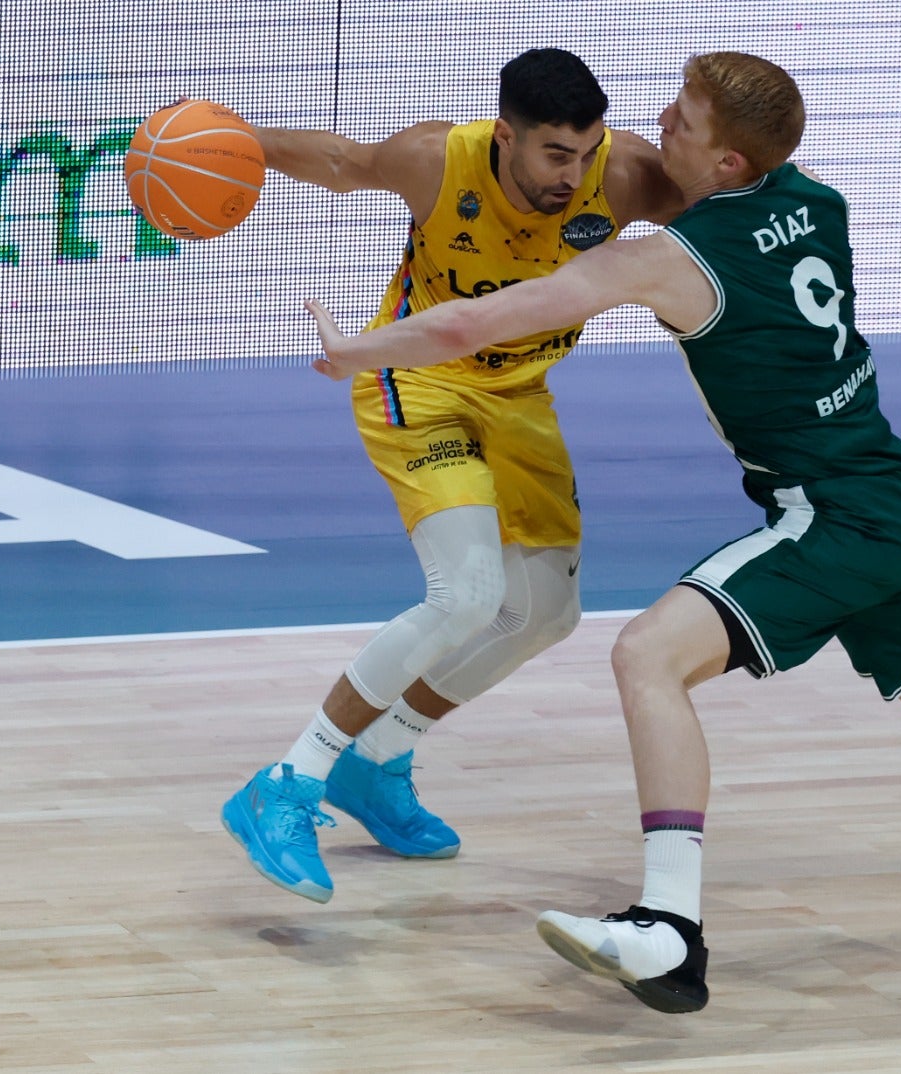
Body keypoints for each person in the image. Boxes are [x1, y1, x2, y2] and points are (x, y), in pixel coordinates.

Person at [304, 52, 901, 1013]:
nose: (657, 125)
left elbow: (474, 324)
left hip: (826, 511)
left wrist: (358, 349)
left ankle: (669, 930)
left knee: (648, 656)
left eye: (683, 123)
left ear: (732, 164)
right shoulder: (818, 199)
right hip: (891, 497)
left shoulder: (666, 257)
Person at [220, 48, 686, 904]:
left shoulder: (622, 178)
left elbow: (732, 191)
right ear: (505, 136)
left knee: (547, 612)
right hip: (419, 381)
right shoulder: (437, 160)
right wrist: (231, 138)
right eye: (554, 154)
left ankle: (381, 758)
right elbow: (342, 163)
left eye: (585, 153)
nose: (571, 175)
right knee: (466, 594)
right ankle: (287, 782)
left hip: (522, 397)